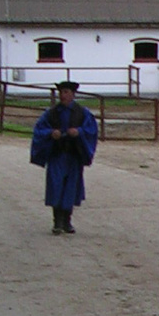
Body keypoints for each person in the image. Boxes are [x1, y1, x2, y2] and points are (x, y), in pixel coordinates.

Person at [30, 80, 98, 234]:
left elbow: (91, 130)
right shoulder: (51, 113)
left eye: (66, 92)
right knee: (56, 186)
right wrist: (50, 133)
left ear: (73, 94)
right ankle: (57, 221)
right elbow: (39, 130)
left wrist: (79, 132)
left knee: (70, 188)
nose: (63, 95)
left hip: (73, 156)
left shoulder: (82, 113)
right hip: (57, 155)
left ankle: (67, 221)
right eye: (61, 92)